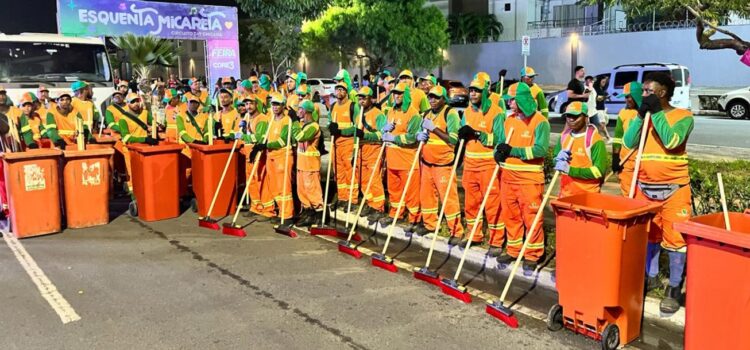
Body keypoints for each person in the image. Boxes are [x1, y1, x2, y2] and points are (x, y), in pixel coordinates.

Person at [622, 72, 694, 314]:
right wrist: (641, 116)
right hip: (645, 188)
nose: (642, 95)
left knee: (675, 241)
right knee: (649, 235)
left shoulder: (683, 116)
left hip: (675, 190)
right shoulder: (644, 117)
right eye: (642, 92)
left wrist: (657, 114)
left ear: (662, 93)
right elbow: (629, 142)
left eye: (647, 91)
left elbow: (672, 141)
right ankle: (649, 276)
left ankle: (674, 287)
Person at [493, 82, 550, 271]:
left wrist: (514, 151)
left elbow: (540, 149)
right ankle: (513, 250)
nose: (509, 104)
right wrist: (499, 152)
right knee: (511, 216)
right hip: (508, 177)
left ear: (522, 100)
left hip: (529, 180)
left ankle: (533, 255)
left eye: (512, 101)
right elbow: (502, 144)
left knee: (531, 217)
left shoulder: (540, 121)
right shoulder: (509, 120)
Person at [457, 76, 505, 254]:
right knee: (471, 202)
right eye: (471, 90)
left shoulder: (497, 112)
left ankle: (496, 240)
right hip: (470, 164)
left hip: (488, 165)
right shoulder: (467, 112)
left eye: (477, 90)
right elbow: (463, 135)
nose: (473, 93)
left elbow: (500, 140)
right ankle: (474, 235)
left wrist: (477, 133)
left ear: (485, 92)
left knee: (492, 203)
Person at [416, 85, 465, 239]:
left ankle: (456, 231)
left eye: (436, 97)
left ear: (444, 99)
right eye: (430, 97)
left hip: (443, 165)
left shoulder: (450, 113)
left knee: (449, 199)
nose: (432, 100)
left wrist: (434, 129)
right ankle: (430, 225)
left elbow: (453, 139)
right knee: (427, 197)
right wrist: (419, 136)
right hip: (427, 163)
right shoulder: (426, 114)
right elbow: (421, 131)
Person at [379, 82, 421, 230]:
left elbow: (411, 138)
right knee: (394, 190)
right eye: (395, 93)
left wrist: (394, 138)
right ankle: (395, 213)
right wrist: (384, 131)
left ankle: (414, 219)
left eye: (400, 93)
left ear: (407, 95)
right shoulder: (390, 111)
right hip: (392, 160)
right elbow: (385, 133)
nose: (397, 96)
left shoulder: (413, 114)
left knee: (411, 192)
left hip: (407, 160)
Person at [552, 101, 607, 198]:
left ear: (586, 118)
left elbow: (598, 171)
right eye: (568, 116)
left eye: (576, 116)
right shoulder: (564, 136)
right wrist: (556, 160)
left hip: (588, 197)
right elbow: (555, 160)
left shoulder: (596, 140)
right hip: (566, 194)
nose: (571, 119)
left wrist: (570, 170)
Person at [261, 93, 300, 228]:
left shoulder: (287, 121)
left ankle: (288, 215)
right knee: (275, 187)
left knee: (284, 187)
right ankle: (281, 213)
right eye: (273, 104)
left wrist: (266, 145)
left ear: (283, 105)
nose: (275, 107)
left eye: (277, 104)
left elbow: (282, 141)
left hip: (283, 157)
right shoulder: (271, 119)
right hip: (271, 156)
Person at [239, 94, 274, 220]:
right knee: (251, 181)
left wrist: (244, 137)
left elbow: (259, 137)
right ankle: (256, 207)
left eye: (251, 104)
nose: (248, 106)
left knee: (261, 180)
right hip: (248, 154)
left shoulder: (262, 119)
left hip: (258, 153)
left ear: (257, 104)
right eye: (246, 104)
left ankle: (268, 210)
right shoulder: (248, 118)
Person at [328, 80, 361, 211]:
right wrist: (330, 127)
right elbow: (330, 123)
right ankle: (342, 198)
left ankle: (352, 200)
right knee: (339, 172)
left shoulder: (353, 106)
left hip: (348, 144)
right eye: (337, 89)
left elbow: (357, 127)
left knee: (350, 172)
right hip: (335, 144)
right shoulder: (333, 106)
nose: (339, 92)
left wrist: (341, 131)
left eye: (342, 89)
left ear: (346, 92)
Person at [355, 86, 387, 222]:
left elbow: (382, 134)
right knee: (363, 179)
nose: (361, 100)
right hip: (361, 150)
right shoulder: (359, 115)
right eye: (359, 98)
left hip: (374, 149)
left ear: (371, 99)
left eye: (364, 98)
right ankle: (369, 202)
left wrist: (366, 135)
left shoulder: (378, 114)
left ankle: (378, 207)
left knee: (374, 180)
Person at [293, 99, 323, 227]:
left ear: (305, 111)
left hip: (310, 165)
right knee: (302, 191)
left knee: (312, 191)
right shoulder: (303, 124)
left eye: (299, 109)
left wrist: (294, 123)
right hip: (302, 164)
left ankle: (319, 215)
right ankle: (308, 212)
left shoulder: (313, 126)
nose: (297, 111)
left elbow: (301, 137)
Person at [612, 82, 643, 196]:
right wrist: (615, 158)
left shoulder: (648, 113)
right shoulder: (623, 113)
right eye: (625, 97)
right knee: (628, 195)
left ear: (637, 95)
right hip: (626, 161)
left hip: (643, 162)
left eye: (628, 96)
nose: (626, 100)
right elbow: (617, 137)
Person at [593, 75, 612, 141]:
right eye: (603, 81)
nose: (604, 83)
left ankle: (597, 137)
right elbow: (597, 98)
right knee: (602, 124)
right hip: (598, 109)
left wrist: (606, 97)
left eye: (605, 82)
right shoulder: (596, 89)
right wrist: (605, 97)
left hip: (602, 108)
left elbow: (602, 97)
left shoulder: (602, 89)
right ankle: (608, 137)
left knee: (601, 125)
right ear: (599, 81)